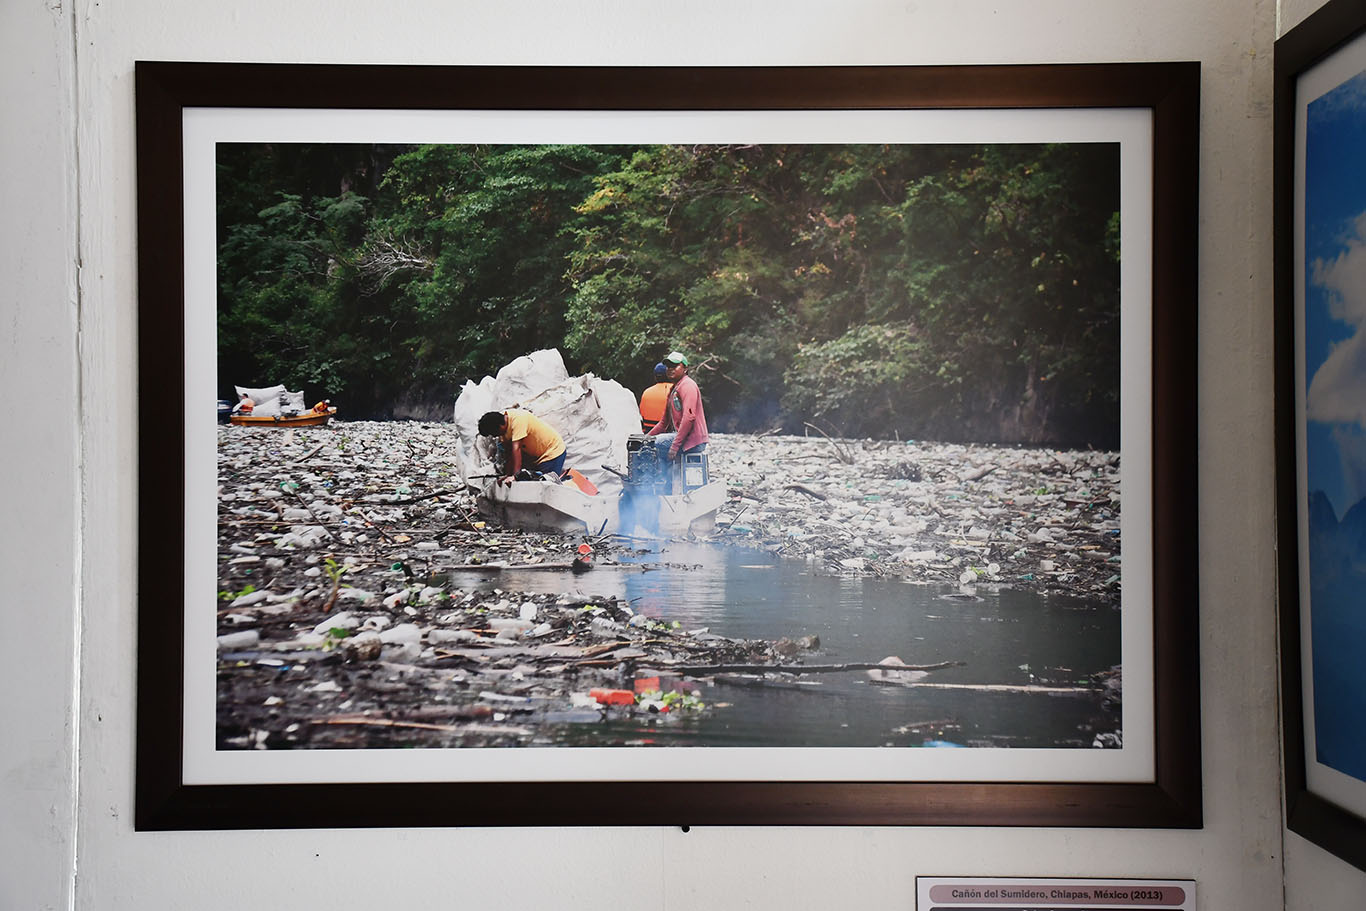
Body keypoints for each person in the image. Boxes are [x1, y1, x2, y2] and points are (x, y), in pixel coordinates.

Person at [645, 351, 708, 462]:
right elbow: (663, 423)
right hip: (683, 437)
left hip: (692, 440)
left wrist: (675, 446)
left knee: (657, 442)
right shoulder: (674, 389)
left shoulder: (687, 385)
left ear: (685, 369)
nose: (670, 369)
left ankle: (663, 478)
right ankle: (665, 477)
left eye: (675, 366)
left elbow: (689, 418)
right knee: (648, 442)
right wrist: (645, 438)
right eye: (668, 366)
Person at [478, 409, 567, 486]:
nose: (495, 436)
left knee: (548, 483)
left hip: (552, 452)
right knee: (535, 482)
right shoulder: (503, 432)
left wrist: (515, 476)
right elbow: (509, 454)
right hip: (539, 458)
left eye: (494, 433)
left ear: (499, 426)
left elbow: (516, 449)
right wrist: (508, 475)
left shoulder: (518, 419)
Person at [638, 362, 671, 433]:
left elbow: (641, 416)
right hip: (668, 434)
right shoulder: (675, 390)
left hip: (649, 433)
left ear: (655, 377)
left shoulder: (646, 392)